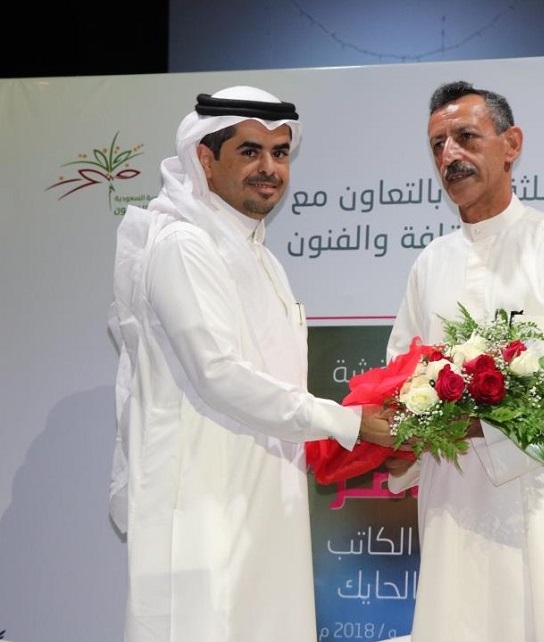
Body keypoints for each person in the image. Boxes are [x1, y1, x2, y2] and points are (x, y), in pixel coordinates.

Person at [107, 85, 395, 642]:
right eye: (250, 151)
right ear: (204, 159)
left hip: (262, 501)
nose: (269, 168)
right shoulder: (184, 245)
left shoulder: (259, 256)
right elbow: (218, 374)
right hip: (202, 505)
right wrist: (346, 421)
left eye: (280, 153)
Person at [385, 81, 544, 641]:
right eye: (438, 145)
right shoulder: (431, 264)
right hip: (456, 520)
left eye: (466, 137)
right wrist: (396, 447)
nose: (450, 155)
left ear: (511, 144)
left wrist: (486, 431)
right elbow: (400, 380)